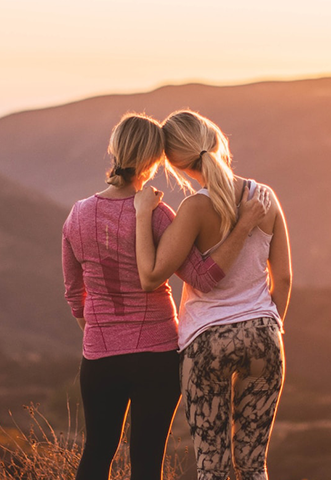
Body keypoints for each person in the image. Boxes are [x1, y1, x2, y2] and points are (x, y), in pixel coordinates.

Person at [61, 113, 266, 480]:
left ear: (113, 151)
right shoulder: (158, 216)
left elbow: (75, 295)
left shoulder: (77, 216)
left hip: (100, 356)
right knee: (147, 461)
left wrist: (100, 334)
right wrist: (243, 227)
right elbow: (203, 277)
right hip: (156, 357)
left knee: (97, 451)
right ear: (156, 160)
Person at [133, 110, 292, 480]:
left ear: (176, 163)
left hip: (206, 342)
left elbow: (154, 273)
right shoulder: (265, 197)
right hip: (263, 335)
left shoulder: (193, 209)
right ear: (216, 138)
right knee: (254, 465)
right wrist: (270, 326)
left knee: (212, 466)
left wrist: (144, 215)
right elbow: (282, 278)